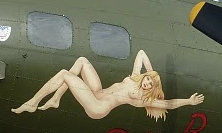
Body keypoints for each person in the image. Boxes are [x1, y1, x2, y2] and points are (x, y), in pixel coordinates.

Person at [11, 50, 204, 121]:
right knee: (82, 61)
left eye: (150, 84)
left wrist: (189, 101)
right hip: (97, 92)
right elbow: (141, 54)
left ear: (152, 88)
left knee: (64, 74)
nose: (147, 83)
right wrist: (152, 73)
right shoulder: (135, 77)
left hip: (98, 107)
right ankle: (56, 99)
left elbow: (168, 104)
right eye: (147, 79)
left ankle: (33, 102)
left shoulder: (143, 98)